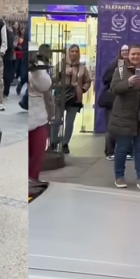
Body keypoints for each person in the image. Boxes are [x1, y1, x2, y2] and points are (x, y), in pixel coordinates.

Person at [107, 44, 140, 190]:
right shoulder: (120, 70)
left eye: (138, 54)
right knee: (122, 148)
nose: (135, 57)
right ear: (128, 55)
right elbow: (114, 88)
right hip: (123, 116)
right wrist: (128, 83)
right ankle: (119, 176)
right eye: (133, 54)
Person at [51, 44, 92, 154]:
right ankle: (53, 142)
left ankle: (65, 143)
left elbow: (88, 81)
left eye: (76, 51)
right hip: (60, 97)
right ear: (68, 53)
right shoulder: (60, 65)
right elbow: (52, 78)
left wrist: (82, 89)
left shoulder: (82, 68)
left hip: (74, 99)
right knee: (56, 121)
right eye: (72, 51)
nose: (74, 53)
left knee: (69, 122)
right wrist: (61, 73)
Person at [27, 45, 54, 181]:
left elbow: (45, 85)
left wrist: (36, 71)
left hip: (39, 120)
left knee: (37, 158)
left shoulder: (39, 68)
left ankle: (33, 182)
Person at [99, 45, 130, 160]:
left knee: (127, 127)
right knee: (111, 127)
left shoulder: (133, 65)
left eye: (127, 50)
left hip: (127, 100)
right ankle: (110, 151)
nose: (125, 52)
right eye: (123, 50)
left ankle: (127, 151)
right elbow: (105, 80)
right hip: (112, 100)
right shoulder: (113, 65)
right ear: (120, 52)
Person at [2, 21, 19, 98]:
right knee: (6, 75)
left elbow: (11, 45)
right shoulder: (10, 32)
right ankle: (5, 92)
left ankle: (6, 92)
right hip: (8, 56)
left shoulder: (9, 33)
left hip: (7, 56)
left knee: (6, 75)